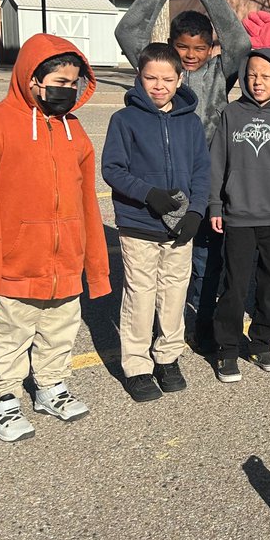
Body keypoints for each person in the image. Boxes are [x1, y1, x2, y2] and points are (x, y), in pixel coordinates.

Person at [0, 35, 110, 442]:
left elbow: (88, 202)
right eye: (58, 81)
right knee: (10, 335)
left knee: (60, 330)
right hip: (16, 264)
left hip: (64, 261)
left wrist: (92, 264)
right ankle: (2, 398)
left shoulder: (75, 131)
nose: (65, 90)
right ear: (32, 79)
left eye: (72, 83)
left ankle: (50, 386)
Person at [114, 0, 252, 352]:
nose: (191, 55)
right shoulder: (163, 72)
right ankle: (161, 328)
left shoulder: (219, 72)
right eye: (183, 47)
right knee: (164, 262)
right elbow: (128, 32)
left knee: (206, 256)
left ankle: (202, 320)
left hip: (207, 179)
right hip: (162, 180)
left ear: (211, 48)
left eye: (200, 47)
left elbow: (240, 43)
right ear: (171, 48)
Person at [102, 43, 210, 402]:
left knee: (175, 291)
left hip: (180, 226)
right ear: (139, 78)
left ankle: (167, 356)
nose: (159, 85)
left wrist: (196, 211)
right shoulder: (125, 121)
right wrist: (148, 194)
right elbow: (112, 169)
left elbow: (201, 171)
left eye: (167, 78)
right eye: (151, 77)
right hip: (139, 224)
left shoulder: (190, 122)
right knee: (141, 294)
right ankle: (136, 365)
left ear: (180, 79)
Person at [209, 49, 270, 383]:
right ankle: (227, 349)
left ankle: (260, 342)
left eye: (266, 76)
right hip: (239, 215)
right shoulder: (232, 112)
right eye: (252, 75)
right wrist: (216, 204)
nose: (257, 82)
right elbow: (217, 162)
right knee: (235, 286)